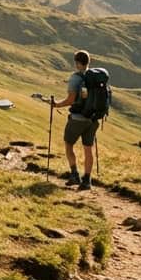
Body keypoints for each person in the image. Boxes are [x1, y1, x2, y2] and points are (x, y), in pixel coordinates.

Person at [51, 50, 97, 190]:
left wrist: (56, 105)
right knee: (88, 149)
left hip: (77, 118)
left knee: (68, 144)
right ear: (88, 62)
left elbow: (71, 100)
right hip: (93, 119)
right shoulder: (96, 77)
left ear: (77, 63)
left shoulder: (76, 78)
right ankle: (87, 180)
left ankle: (74, 175)